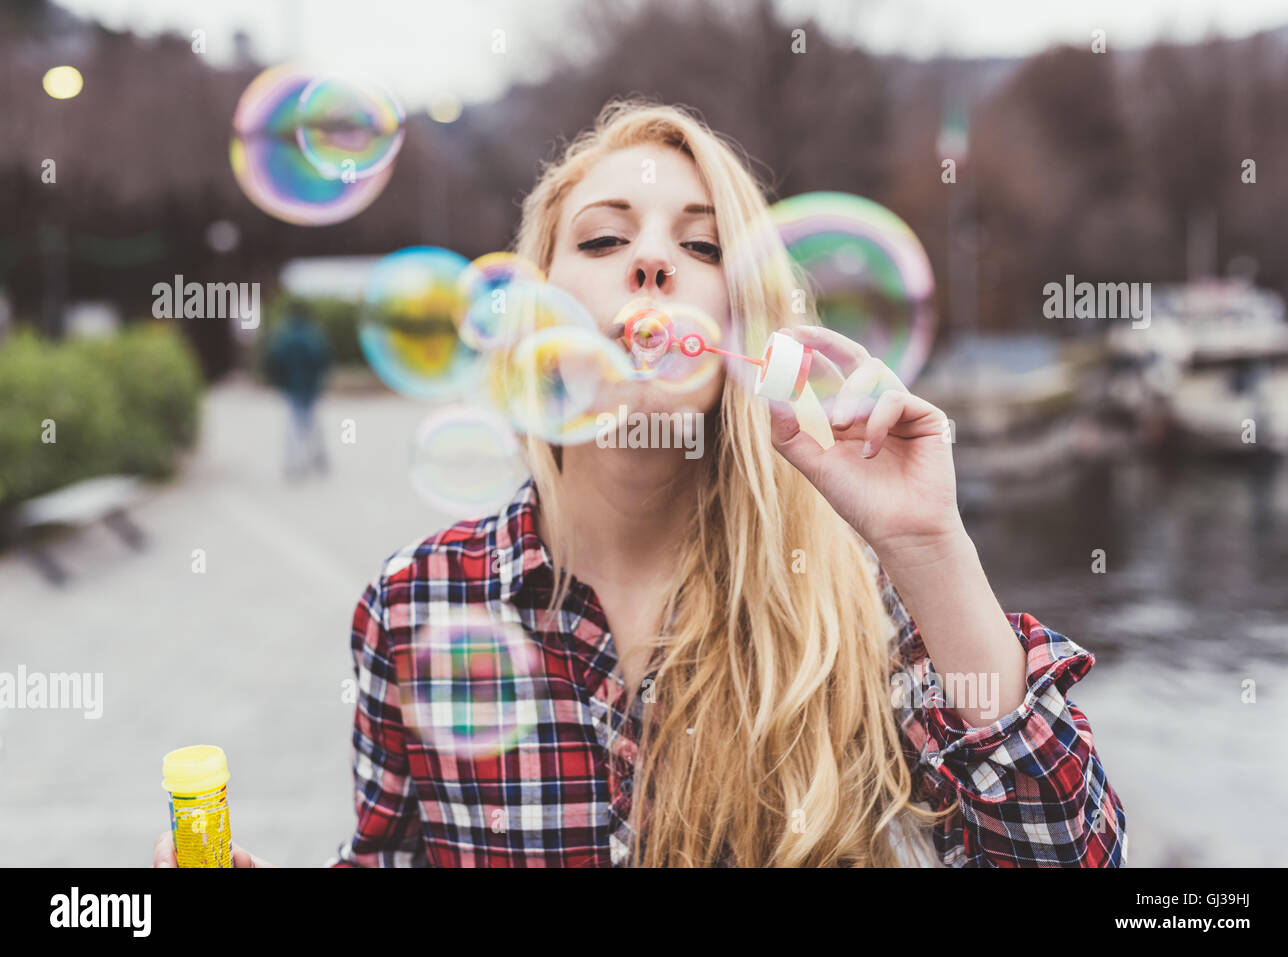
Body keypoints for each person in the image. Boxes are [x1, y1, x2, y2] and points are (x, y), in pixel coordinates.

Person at [154, 98, 1126, 868]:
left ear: (748, 322)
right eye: (604, 239)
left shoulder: (863, 603)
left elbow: (1069, 860)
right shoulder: (414, 605)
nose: (653, 260)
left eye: (701, 246)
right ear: (532, 312)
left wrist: (927, 547)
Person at [264, 307, 331, 478]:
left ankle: (295, 463)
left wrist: (281, 382)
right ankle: (317, 458)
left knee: (294, 427)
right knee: (313, 425)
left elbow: (275, 361)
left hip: (292, 388)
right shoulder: (312, 337)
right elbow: (322, 360)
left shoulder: (285, 338)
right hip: (310, 388)